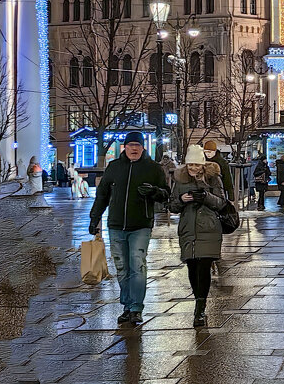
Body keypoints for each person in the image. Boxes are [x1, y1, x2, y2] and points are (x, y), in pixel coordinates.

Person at [88, 132, 170, 326]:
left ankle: (136, 308)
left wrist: (154, 192)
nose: (134, 148)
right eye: (131, 145)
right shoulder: (114, 167)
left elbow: (166, 194)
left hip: (141, 225)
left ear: (143, 147)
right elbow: (102, 195)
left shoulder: (153, 169)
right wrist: (94, 218)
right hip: (116, 225)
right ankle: (127, 305)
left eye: (138, 145)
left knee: (137, 265)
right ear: (125, 147)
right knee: (122, 268)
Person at [169, 145, 227, 327]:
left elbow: (221, 203)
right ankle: (198, 300)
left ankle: (200, 308)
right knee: (192, 268)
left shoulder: (213, 178)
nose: (193, 168)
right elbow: (172, 206)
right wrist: (181, 200)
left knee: (203, 266)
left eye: (196, 165)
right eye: (190, 165)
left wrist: (205, 197)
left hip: (209, 228)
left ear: (202, 164)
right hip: (188, 229)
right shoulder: (180, 180)